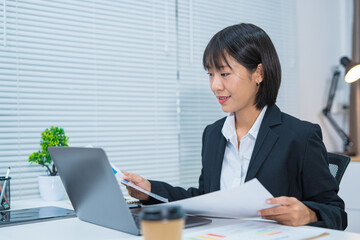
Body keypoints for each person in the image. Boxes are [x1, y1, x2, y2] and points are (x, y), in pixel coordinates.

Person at [123, 23, 347, 230]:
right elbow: (205, 198)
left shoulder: (300, 136)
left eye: (224, 73)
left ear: (258, 73)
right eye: (210, 74)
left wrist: (309, 214)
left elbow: (335, 211)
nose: (215, 85)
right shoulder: (213, 134)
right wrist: (149, 190)